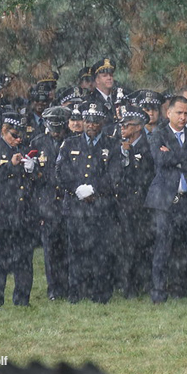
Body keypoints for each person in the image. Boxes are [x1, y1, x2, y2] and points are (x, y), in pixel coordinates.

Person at [56, 101, 119, 303]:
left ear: (102, 122)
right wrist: (77, 188)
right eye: (87, 121)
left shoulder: (112, 145)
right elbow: (60, 171)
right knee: (76, 251)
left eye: (95, 121)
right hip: (76, 207)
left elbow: (115, 175)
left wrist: (94, 189)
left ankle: (100, 293)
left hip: (101, 207)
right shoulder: (70, 144)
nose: (91, 125)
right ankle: (76, 292)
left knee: (101, 252)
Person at [144, 96, 187, 304]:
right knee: (163, 246)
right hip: (165, 200)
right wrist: (186, 155)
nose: (183, 117)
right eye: (179, 113)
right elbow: (160, 159)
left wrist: (176, 157)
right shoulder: (158, 134)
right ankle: (158, 291)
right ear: (168, 113)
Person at [0, 112, 36, 308]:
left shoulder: (25, 149)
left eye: (20, 136)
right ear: (3, 130)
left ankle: (22, 301)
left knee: (24, 261)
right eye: (14, 134)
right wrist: (10, 165)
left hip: (22, 213)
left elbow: (36, 182)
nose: (18, 139)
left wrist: (31, 170)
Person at [29, 106, 71, 301]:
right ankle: (53, 287)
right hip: (47, 203)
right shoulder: (38, 143)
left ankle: (70, 284)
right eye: (53, 127)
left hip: (69, 199)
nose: (56, 131)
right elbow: (33, 179)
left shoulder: (73, 141)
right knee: (50, 249)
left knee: (70, 246)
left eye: (59, 128)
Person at [114, 105, 155, 297]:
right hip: (123, 205)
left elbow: (145, 177)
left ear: (139, 127)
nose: (123, 129)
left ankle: (143, 283)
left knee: (143, 246)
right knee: (125, 246)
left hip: (143, 205)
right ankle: (126, 285)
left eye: (128, 125)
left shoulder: (148, 147)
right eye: (122, 125)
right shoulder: (118, 146)